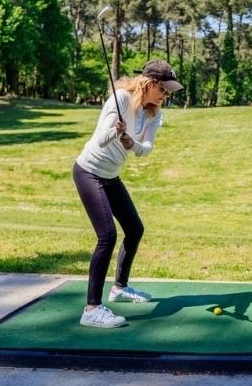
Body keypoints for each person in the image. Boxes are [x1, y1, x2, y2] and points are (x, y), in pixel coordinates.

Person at [73, 59, 183, 328]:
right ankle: (92, 309)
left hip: (110, 177)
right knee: (107, 236)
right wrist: (115, 131)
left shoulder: (154, 113)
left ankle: (119, 288)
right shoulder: (120, 99)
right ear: (149, 83)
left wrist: (131, 143)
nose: (166, 95)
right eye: (164, 89)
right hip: (89, 172)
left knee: (134, 229)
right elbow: (99, 139)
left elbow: (146, 149)